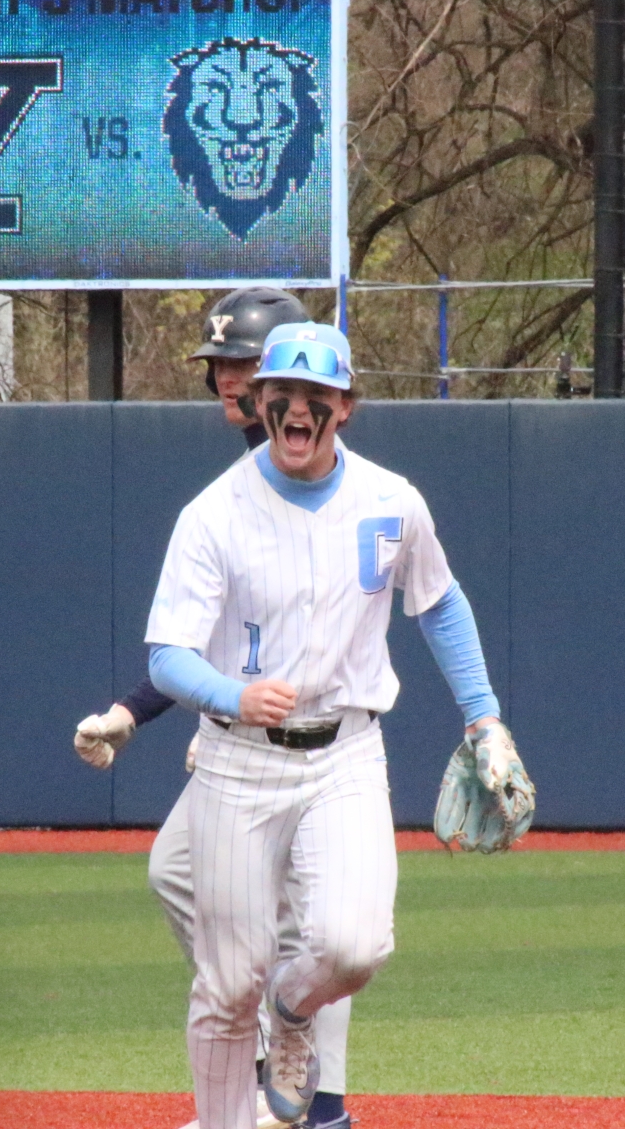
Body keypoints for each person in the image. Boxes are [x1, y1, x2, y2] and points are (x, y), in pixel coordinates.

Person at [144, 322, 525, 1129]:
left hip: (346, 754)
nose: (298, 407)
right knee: (227, 986)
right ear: (259, 401)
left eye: (317, 394)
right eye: (282, 392)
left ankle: (292, 1012)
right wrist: (230, 695)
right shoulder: (213, 515)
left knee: (355, 947)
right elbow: (167, 656)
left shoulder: (391, 501)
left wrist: (484, 716)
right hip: (237, 765)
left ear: (345, 406)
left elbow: (440, 603)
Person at [71, 289, 358, 1129]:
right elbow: (199, 642)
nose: (226, 377)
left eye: (240, 361)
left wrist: (240, 714)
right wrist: (134, 712)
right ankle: (272, 1072)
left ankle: (318, 1106)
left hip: (310, 743)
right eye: (218, 364)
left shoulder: (309, 474)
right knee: (178, 872)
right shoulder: (242, 483)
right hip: (243, 734)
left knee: (312, 924)